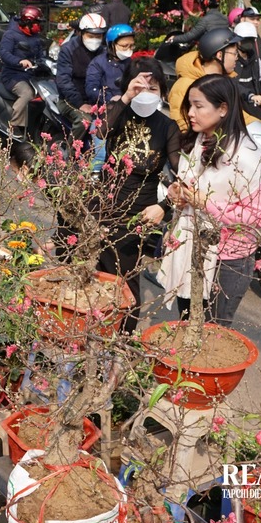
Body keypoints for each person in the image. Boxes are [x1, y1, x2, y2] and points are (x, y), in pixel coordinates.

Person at [159, 74, 261, 324]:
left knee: (213, 330)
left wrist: (205, 203)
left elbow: (258, 215)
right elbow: (190, 183)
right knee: (187, 319)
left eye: (199, 106)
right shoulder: (199, 140)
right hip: (192, 244)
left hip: (226, 258)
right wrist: (178, 193)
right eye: (190, 105)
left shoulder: (247, 156)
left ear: (223, 108)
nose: (190, 112)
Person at [95, 57, 181, 332]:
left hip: (138, 213)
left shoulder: (168, 127)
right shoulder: (118, 113)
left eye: (152, 89)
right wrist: (126, 98)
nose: (146, 94)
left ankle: (123, 339)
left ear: (162, 93)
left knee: (126, 277)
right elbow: (101, 131)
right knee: (97, 273)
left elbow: (183, 177)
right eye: (139, 87)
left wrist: (164, 206)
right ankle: (95, 333)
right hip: (103, 203)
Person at [168, 28, 241, 132]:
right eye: (234, 53)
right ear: (220, 55)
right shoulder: (185, 85)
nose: (236, 58)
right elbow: (181, 126)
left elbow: (238, 115)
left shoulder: (223, 82)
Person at [0, 6, 46, 141]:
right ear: (28, 22)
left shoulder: (35, 37)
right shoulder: (10, 35)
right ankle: (14, 125)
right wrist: (20, 61)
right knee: (27, 93)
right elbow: (5, 54)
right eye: (37, 23)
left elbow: (40, 55)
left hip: (31, 75)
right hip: (13, 76)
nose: (39, 26)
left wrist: (43, 63)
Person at [56, 13, 107, 136]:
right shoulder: (68, 50)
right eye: (91, 36)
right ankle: (72, 154)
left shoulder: (104, 52)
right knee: (84, 121)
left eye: (98, 36)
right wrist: (80, 103)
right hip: (70, 101)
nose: (95, 40)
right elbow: (64, 81)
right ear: (81, 33)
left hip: (97, 101)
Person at [86, 24, 135, 106]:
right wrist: (109, 98)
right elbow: (91, 89)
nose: (128, 49)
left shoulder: (130, 62)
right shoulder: (98, 63)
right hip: (105, 108)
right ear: (112, 45)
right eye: (124, 46)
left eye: (131, 46)